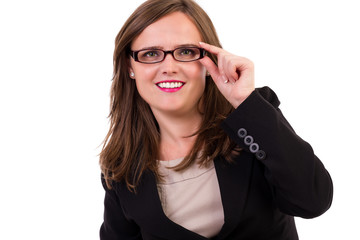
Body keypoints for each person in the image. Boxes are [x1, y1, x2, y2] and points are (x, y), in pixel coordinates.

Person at [99, 0, 333, 239]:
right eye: (150, 54)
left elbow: (312, 201)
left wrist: (245, 101)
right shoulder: (121, 168)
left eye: (186, 52)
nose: (169, 67)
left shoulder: (253, 120)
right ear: (130, 66)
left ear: (209, 60)